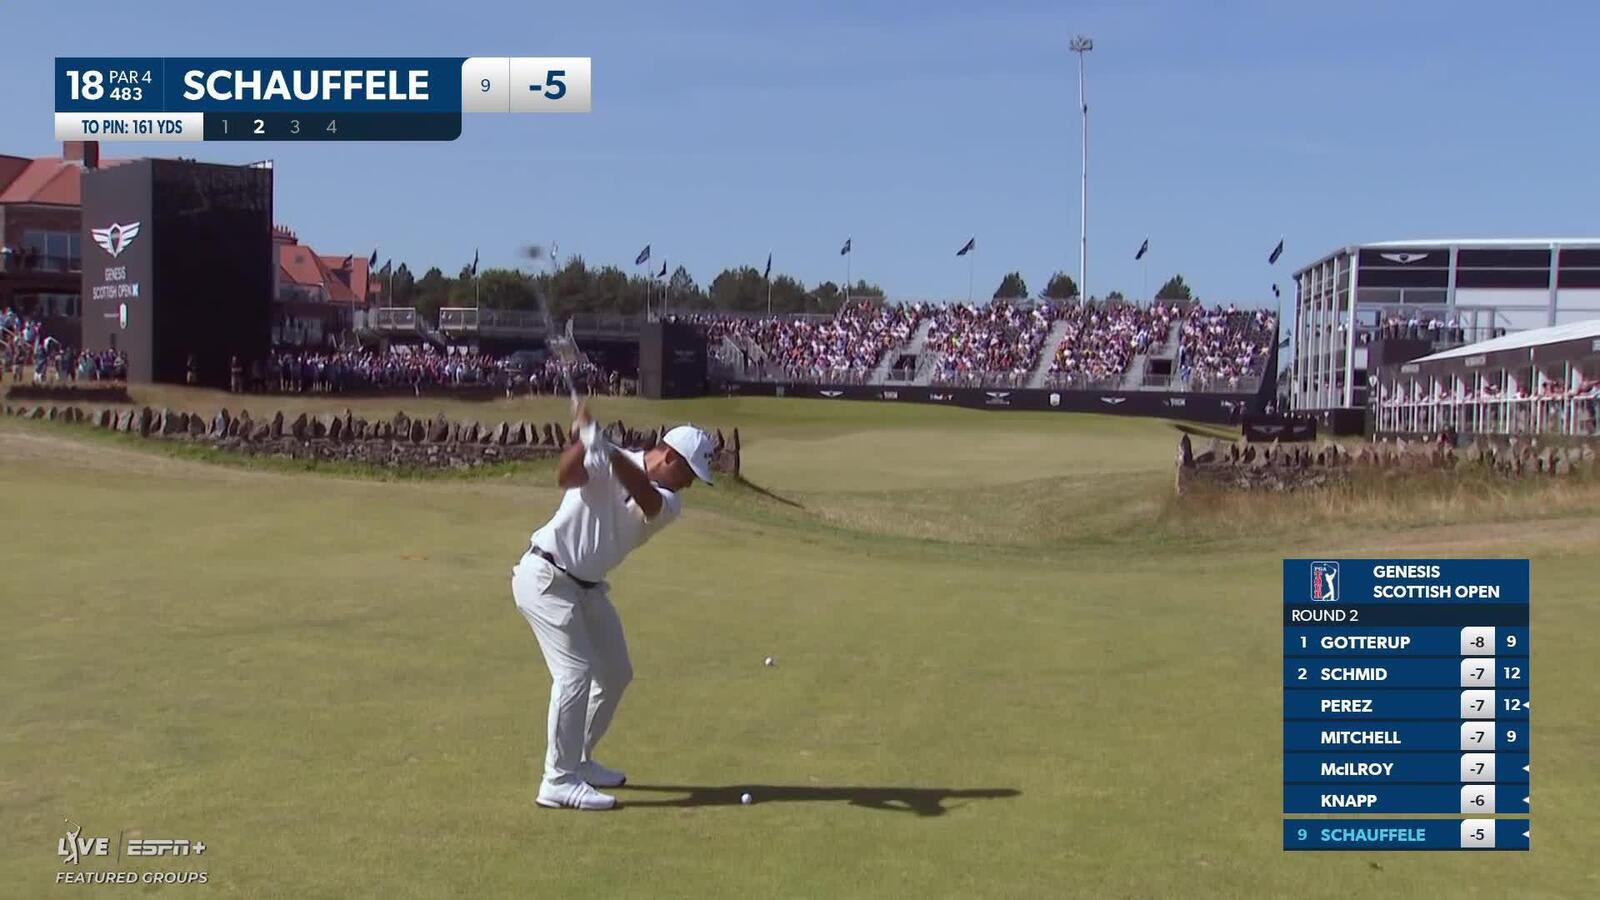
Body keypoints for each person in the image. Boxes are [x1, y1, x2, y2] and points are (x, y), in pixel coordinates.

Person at [511, 403, 715, 811]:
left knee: (616, 672)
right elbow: (565, 476)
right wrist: (582, 440)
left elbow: (646, 500)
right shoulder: (610, 458)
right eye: (689, 473)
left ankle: (578, 760)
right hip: (546, 577)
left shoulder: (667, 501)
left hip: (587, 589)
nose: (690, 484)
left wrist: (605, 448)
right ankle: (557, 780)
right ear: (669, 457)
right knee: (575, 674)